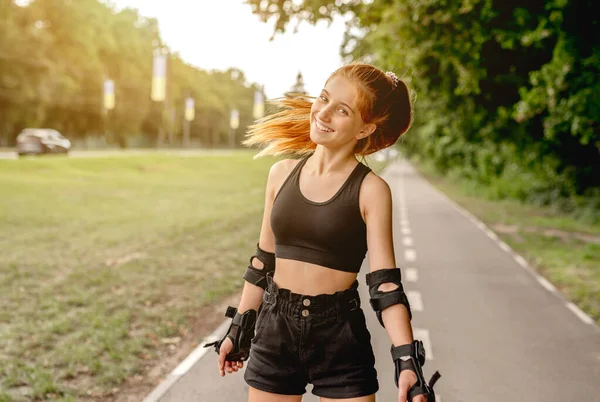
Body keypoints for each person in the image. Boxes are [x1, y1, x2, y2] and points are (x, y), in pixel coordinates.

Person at [204, 63, 440, 402]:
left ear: (364, 129)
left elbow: (385, 284)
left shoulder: (371, 190)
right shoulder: (280, 173)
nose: (323, 113)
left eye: (342, 110)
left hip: (339, 335)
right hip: (275, 331)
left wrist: (407, 362)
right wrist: (239, 326)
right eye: (324, 98)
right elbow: (262, 262)